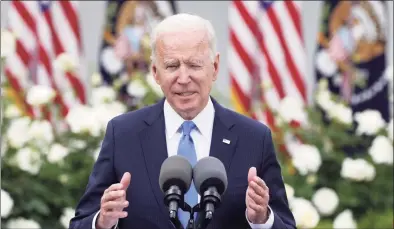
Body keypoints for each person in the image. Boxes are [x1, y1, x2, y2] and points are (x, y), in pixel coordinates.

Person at [69, 13, 296, 229]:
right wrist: (103, 221)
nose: (184, 78)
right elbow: (81, 222)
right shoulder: (123, 134)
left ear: (214, 68)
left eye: (194, 65)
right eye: (172, 66)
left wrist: (262, 219)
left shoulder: (254, 138)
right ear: (156, 72)